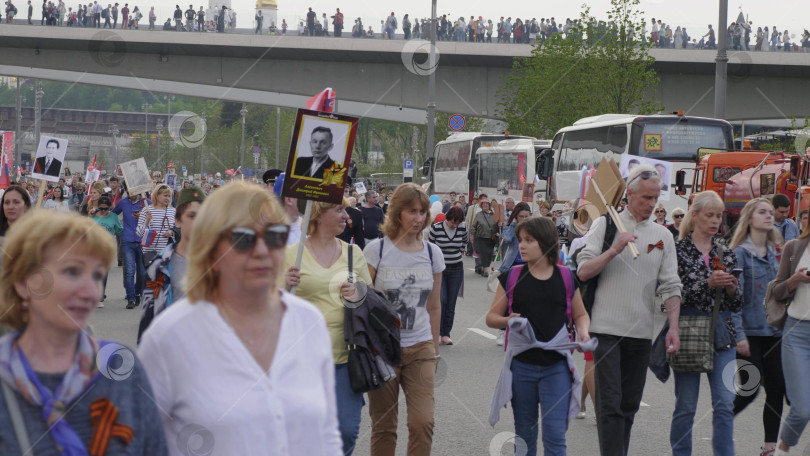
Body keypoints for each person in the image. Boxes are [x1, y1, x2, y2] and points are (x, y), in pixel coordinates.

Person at [138, 182, 341, 455]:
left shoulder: (308, 322)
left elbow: (326, 435)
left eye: (275, 236)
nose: (261, 250)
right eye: (244, 238)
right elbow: (145, 443)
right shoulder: (169, 336)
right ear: (211, 247)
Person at [0, 211, 168, 455]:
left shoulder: (123, 370)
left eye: (98, 276)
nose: (91, 292)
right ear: (25, 282)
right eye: (72, 272)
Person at [576, 165, 682, 456]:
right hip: (605, 330)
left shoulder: (663, 236)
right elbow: (583, 271)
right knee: (609, 404)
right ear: (630, 194)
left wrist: (673, 326)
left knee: (628, 407)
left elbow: (671, 284)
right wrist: (613, 250)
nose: (651, 204)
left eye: (655, 198)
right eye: (645, 198)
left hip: (641, 332)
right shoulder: (606, 225)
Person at [486, 216, 593, 456]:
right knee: (524, 435)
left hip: (556, 367)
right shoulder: (512, 276)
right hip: (521, 366)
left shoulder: (565, 277)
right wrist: (507, 320)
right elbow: (491, 317)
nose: (522, 245)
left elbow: (581, 315)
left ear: (545, 243)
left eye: (529, 240)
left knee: (555, 437)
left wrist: (584, 332)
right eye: (521, 240)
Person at [283, 198, 371, 456]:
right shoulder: (291, 255)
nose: (347, 216)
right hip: (302, 361)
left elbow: (373, 298)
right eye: (339, 210)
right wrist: (284, 285)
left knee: (345, 430)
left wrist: (359, 292)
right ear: (319, 215)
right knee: (303, 433)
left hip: (346, 358)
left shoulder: (354, 253)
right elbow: (268, 305)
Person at [363, 182, 444, 456]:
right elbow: (363, 302)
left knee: (423, 422)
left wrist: (433, 348)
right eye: (412, 211)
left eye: (422, 212)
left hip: (420, 348)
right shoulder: (377, 250)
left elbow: (434, 306)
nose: (418, 218)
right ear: (397, 212)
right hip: (382, 349)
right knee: (384, 426)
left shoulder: (433, 253)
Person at [670, 190, 742, 456]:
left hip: (722, 333)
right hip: (689, 329)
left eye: (719, 216)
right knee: (686, 405)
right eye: (709, 215)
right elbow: (672, 292)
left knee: (725, 403)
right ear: (695, 215)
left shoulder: (726, 252)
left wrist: (733, 288)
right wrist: (707, 283)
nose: (715, 221)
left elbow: (736, 304)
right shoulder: (677, 250)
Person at [728, 198, 786, 456]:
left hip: (776, 332)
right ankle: (723, 421)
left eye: (770, 213)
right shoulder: (739, 253)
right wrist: (739, 335)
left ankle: (769, 449)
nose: (768, 216)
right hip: (748, 334)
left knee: (776, 390)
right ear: (749, 218)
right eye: (762, 212)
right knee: (749, 391)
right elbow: (734, 301)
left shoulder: (779, 252)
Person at [137, 186, 205, 342]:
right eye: (192, 216)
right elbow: (149, 320)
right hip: (176, 348)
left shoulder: (221, 262)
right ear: (179, 221)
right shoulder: (159, 268)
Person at [428, 206, 469, 346]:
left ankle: (446, 333)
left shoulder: (462, 228)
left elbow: (465, 241)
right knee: (441, 300)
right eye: (453, 222)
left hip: (456, 268)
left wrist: (461, 250)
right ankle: (437, 332)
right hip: (440, 269)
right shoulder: (437, 228)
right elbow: (431, 245)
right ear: (448, 218)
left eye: (457, 223)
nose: (454, 225)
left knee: (451, 303)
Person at [113, 190, 150, 310]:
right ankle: (131, 298)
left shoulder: (146, 203)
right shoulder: (123, 202)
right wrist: (97, 211)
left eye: (133, 191)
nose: (130, 193)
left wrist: (143, 217)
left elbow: (154, 219)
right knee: (129, 271)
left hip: (142, 241)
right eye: (128, 191)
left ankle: (138, 292)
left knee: (142, 272)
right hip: (127, 240)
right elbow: (113, 214)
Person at [136, 184, 176, 276]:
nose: (168, 198)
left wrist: (171, 232)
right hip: (149, 253)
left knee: (164, 280)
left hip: (167, 252)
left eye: (169, 196)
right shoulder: (146, 210)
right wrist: (146, 221)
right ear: (157, 196)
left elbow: (178, 229)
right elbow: (139, 233)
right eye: (165, 196)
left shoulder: (173, 211)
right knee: (152, 280)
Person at [90, 195, 122, 307]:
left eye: (106, 208)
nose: (103, 211)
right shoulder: (93, 215)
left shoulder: (113, 216)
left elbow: (119, 231)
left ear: (110, 207)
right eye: (101, 208)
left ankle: (100, 297)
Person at [471, 195, 497, 276]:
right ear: (481, 206)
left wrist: (500, 225)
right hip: (481, 237)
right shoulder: (479, 215)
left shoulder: (494, 214)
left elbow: (497, 225)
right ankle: (485, 270)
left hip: (491, 237)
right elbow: (474, 226)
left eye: (487, 204)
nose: (485, 205)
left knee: (489, 254)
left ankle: (483, 267)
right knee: (484, 254)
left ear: (489, 205)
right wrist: (472, 235)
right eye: (483, 204)